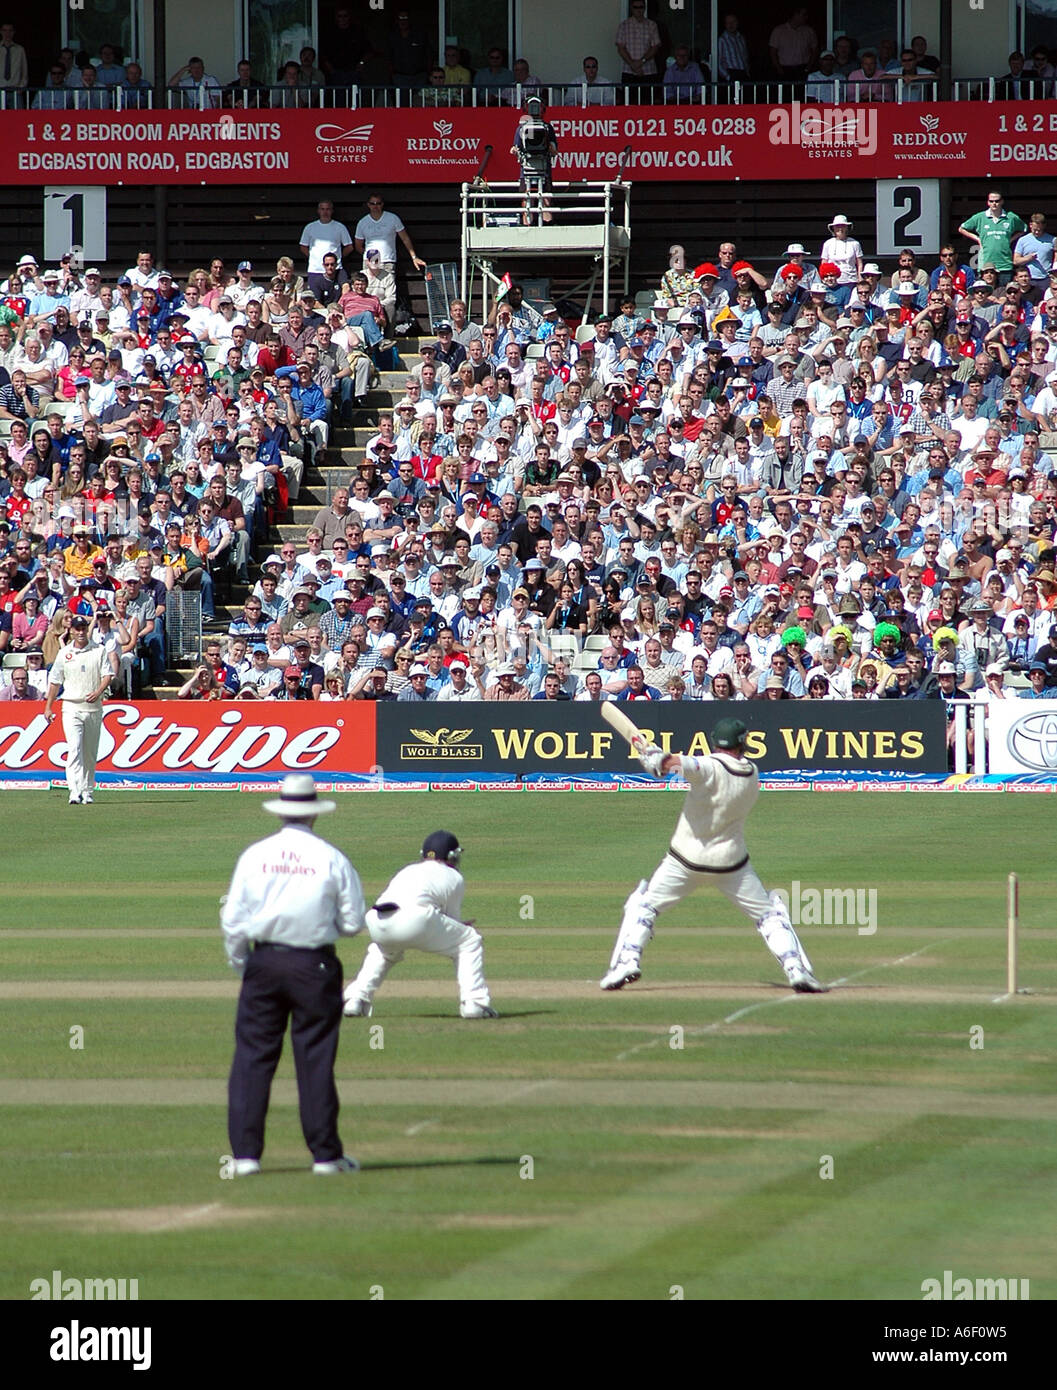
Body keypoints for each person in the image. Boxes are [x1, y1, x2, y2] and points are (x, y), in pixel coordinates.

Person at [600, 717, 825, 993]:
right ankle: (795, 969)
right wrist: (660, 761)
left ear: (713, 741)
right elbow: (684, 766)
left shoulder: (708, 766)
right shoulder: (752, 772)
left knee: (643, 905)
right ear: (743, 743)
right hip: (732, 864)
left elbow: (679, 766)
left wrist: (657, 761)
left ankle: (628, 961)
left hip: (685, 860)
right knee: (769, 914)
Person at [221, 773, 366, 1176]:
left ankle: (246, 1156)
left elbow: (233, 920)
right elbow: (354, 922)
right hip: (314, 965)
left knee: (252, 1058)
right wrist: (320, 927)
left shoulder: (255, 854)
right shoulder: (331, 856)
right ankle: (325, 1156)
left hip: (264, 962)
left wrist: (242, 964)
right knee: (315, 1059)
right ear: (314, 814)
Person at [343, 831, 497, 1019]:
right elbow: (452, 920)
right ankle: (475, 1003)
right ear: (452, 856)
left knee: (384, 950)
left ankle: (355, 999)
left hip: (377, 919)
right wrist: (461, 927)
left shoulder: (407, 869)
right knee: (470, 940)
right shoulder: (454, 877)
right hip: (417, 920)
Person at [42, 613, 119, 805]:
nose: (81, 632)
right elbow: (54, 681)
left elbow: (108, 675)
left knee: (90, 752)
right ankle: (74, 791)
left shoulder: (98, 650)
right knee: (74, 748)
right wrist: (48, 707)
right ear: (72, 631)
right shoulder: (64, 653)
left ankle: (88, 790)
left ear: (87, 629)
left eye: (83, 628)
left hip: (93, 707)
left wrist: (98, 691)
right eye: (77, 629)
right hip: (71, 706)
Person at [353, 194, 426, 332]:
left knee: (388, 298)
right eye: (373, 203)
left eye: (378, 203)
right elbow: (358, 244)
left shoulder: (392, 218)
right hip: (369, 262)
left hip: (387, 261)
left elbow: (404, 238)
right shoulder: (363, 222)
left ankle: (388, 335)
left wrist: (414, 256)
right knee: (366, 294)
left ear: (382, 204)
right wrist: (369, 259)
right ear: (368, 205)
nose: (376, 206)